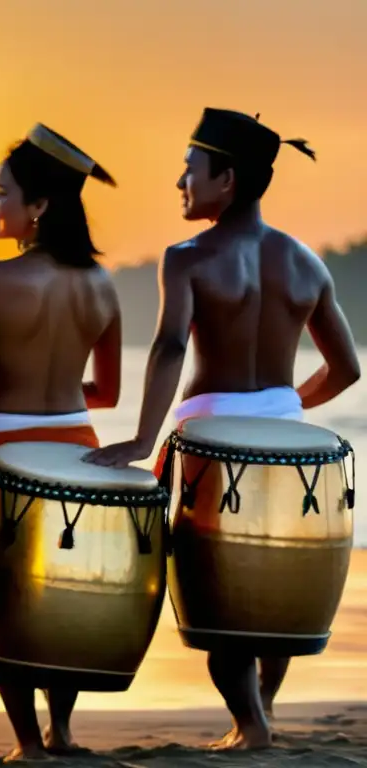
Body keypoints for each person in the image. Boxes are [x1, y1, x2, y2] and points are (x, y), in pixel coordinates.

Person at [84, 107, 361, 750]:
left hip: (212, 443)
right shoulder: (305, 264)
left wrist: (140, 439)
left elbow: (169, 350)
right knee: (272, 583)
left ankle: (251, 724)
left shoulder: (188, 258)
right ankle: (261, 709)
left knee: (218, 595)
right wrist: (285, 407)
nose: (180, 182)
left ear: (226, 179)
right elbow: (345, 369)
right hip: (290, 448)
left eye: (189, 170)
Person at [0, 124, 121, 760]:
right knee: (58, 591)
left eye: (0, 194)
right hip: (78, 449)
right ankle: (62, 731)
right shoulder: (101, 285)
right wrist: (62, 401)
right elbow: (110, 391)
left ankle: (27, 743)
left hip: (0, 454)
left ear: (38, 206)